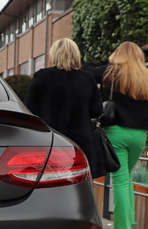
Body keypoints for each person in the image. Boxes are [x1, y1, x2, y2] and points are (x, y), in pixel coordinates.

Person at [81, 42, 148, 229]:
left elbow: (85, 69)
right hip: (139, 135)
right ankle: (128, 220)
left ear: (117, 55)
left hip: (116, 131)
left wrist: (108, 60)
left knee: (119, 179)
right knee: (126, 177)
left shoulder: (111, 72)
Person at [24, 38, 104, 178]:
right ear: (76, 55)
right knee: (81, 186)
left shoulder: (42, 76)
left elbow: (29, 109)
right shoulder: (87, 78)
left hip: (51, 141)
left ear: (54, 54)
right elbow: (97, 110)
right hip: (81, 144)